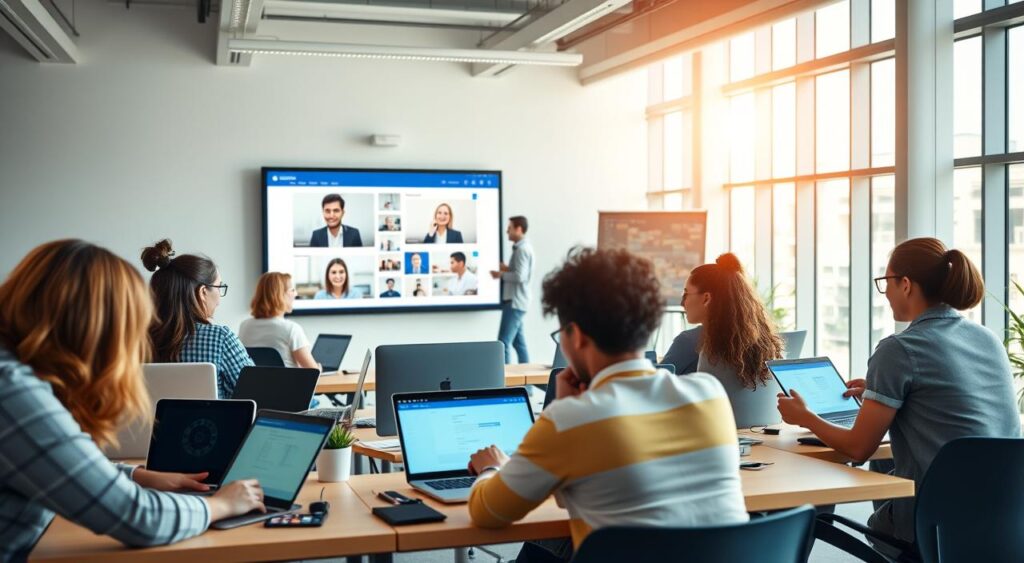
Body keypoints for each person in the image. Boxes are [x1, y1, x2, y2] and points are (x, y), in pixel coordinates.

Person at [467, 248, 747, 562]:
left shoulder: (569, 420)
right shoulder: (709, 393)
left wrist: (492, 467)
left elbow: (487, 512)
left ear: (577, 336)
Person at [0, 240, 265, 560]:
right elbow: (137, 516)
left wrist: (138, 475)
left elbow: (66, 466)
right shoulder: (12, 391)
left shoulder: (17, 376)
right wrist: (220, 505)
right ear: (87, 323)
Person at [778, 237, 1019, 557]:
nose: (886, 293)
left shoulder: (899, 349)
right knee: (887, 463)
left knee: (821, 517)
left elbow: (858, 448)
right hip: (1004, 520)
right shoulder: (987, 339)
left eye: (886, 282)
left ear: (905, 284)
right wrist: (882, 390)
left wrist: (805, 416)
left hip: (934, 526)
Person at [142, 239, 253, 399]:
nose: (219, 299)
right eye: (219, 287)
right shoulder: (220, 339)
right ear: (202, 292)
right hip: (211, 417)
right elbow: (256, 393)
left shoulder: (136, 340)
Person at [682, 253, 783, 427]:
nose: (682, 302)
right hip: (766, 436)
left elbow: (703, 415)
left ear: (706, 298)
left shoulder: (712, 353)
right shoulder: (768, 344)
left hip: (724, 437)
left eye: (686, 294)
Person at [239, 272, 319, 370]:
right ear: (280, 295)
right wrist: (319, 368)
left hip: (255, 381)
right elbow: (313, 371)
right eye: (292, 290)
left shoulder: (245, 326)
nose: (296, 294)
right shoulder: (291, 329)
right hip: (288, 380)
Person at [491, 216, 534, 363]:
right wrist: (507, 268)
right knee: (518, 343)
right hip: (517, 302)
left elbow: (520, 277)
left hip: (515, 302)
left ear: (519, 229)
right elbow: (520, 273)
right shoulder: (522, 248)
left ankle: (505, 376)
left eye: (509, 228)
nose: (507, 231)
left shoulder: (522, 250)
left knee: (503, 343)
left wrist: (501, 274)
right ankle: (527, 374)